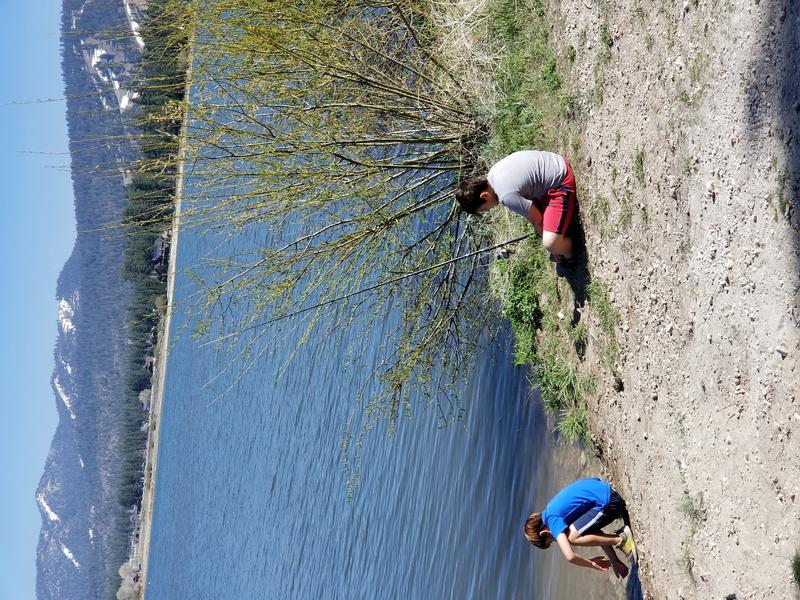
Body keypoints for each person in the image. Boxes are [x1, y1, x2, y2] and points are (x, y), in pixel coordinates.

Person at [455, 150, 579, 270]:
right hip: (556, 161)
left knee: (550, 244)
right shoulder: (493, 173)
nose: (488, 211)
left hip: (561, 182)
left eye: (483, 209)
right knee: (544, 226)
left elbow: (537, 220)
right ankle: (560, 239)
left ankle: (569, 257)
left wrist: (550, 245)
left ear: (484, 196)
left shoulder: (506, 196)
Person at [523, 477, 636, 579]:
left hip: (609, 502)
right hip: (607, 492)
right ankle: (620, 539)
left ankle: (622, 539)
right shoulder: (551, 509)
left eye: (552, 541)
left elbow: (570, 556)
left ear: (544, 533)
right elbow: (594, 532)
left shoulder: (551, 521)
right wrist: (614, 560)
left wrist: (592, 564)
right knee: (579, 532)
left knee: (572, 538)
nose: (557, 540)